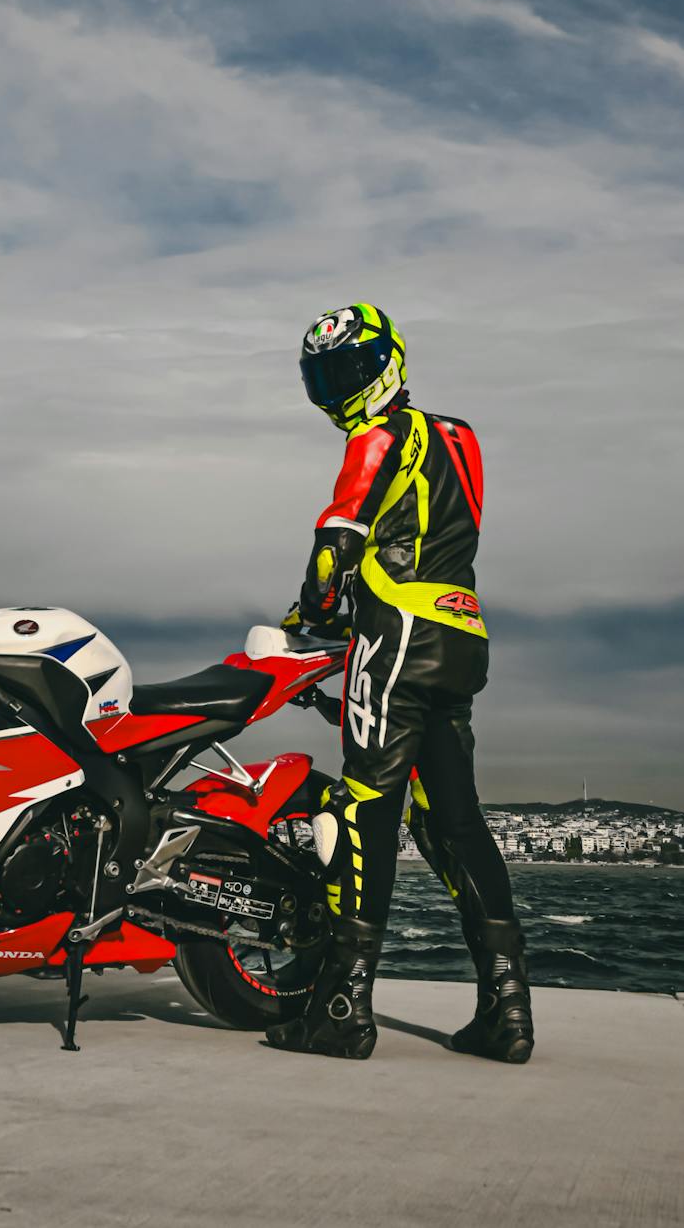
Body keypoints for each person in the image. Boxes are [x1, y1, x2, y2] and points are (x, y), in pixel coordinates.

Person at [266, 303, 533, 1063]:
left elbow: (334, 551)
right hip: (461, 632)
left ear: (384, 363)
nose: (336, 389)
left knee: (364, 805)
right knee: (454, 822)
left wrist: (311, 611)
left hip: (397, 639)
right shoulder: (461, 438)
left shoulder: (373, 437)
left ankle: (344, 1010)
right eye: (322, 375)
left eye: (344, 371)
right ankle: (507, 1013)